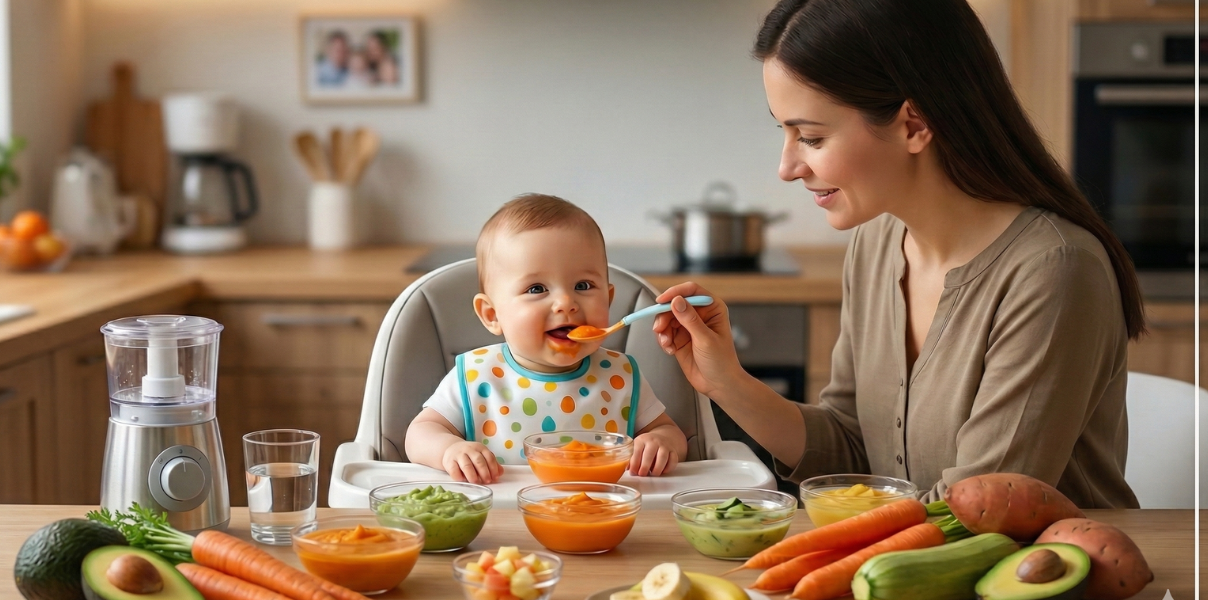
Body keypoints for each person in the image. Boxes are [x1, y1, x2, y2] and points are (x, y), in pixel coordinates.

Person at [652, 0, 1143, 508]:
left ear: (913, 124)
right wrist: (727, 383)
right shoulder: (877, 243)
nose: (787, 166)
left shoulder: (1054, 271)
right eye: (786, 132)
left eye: (812, 137)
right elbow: (851, 447)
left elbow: (975, 510)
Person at [406, 194, 689, 484]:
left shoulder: (620, 376)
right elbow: (420, 433)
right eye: (537, 288)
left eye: (583, 285)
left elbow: (671, 433)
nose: (566, 303)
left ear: (608, 298)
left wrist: (660, 443)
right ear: (492, 314)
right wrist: (450, 450)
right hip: (502, 517)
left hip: (598, 513)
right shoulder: (476, 376)